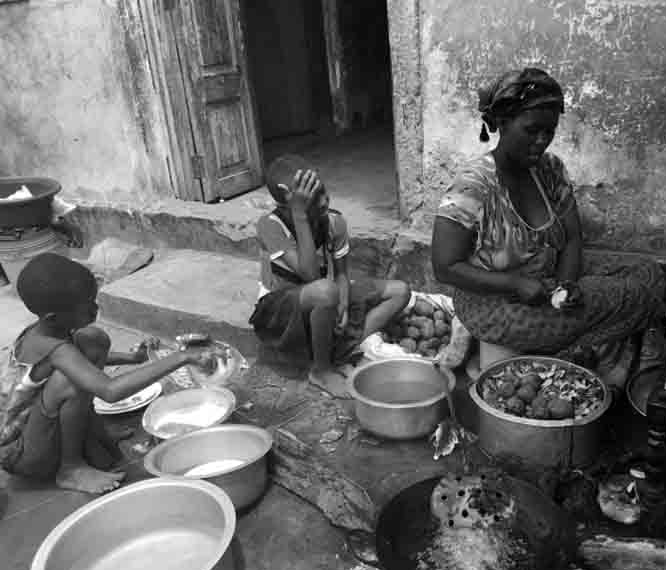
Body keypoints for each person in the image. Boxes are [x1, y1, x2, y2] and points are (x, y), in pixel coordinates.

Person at [431, 67, 665, 381]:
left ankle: (579, 343)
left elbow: (571, 239)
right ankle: (576, 354)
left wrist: (567, 285)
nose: (542, 140)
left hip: (546, 277)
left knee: (647, 272)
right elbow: (445, 267)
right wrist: (515, 285)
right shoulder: (472, 187)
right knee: (631, 296)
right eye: (532, 130)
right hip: (494, 304)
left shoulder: (550, 169)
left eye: (550, 131)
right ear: (502, 123)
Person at [0, 253, 223, 494]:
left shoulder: (50, 330)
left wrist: (133, 359)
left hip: (36, 428)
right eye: (87, 306)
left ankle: (94, 436)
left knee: (93, 340)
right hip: (20, 453)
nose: (95, 309)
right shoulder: (52, 348)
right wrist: (181, 357)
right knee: (70, 382)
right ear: (53, 317)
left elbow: (81, 361)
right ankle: (71, 469)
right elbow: (110, 391)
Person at [250, 154, 411, 397]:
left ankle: (340, 348)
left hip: (326, 297)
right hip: (281, 310)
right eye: (314, 199)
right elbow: (310, 275)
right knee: (325, 290)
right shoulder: (270, 226)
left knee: (401, 291)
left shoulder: (334, 222)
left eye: (323, 190)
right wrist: (300, 215)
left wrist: (344, 305)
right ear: (288, 199)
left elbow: (343, 275)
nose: (325, 201)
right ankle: (321, 370)